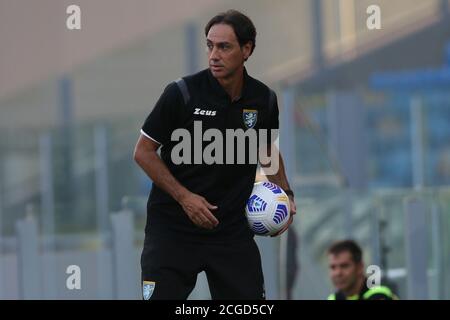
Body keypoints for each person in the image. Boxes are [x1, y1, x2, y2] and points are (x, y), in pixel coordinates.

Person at [134, 9, 296, 300]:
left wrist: (286, 194)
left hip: (231, 233)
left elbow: (266, 149)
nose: (214, 55)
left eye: (224, 47)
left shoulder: (264, 99)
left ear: (247, 50)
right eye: (210, 45)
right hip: (173, 230)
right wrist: (185, 198)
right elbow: (143, 152)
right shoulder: (181, 93)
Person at [327, 240, 398, 300]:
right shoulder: (333, 298)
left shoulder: (379, 295)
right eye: (333, 267)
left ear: (360, 267)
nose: (338, 273)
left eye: (344, 266)